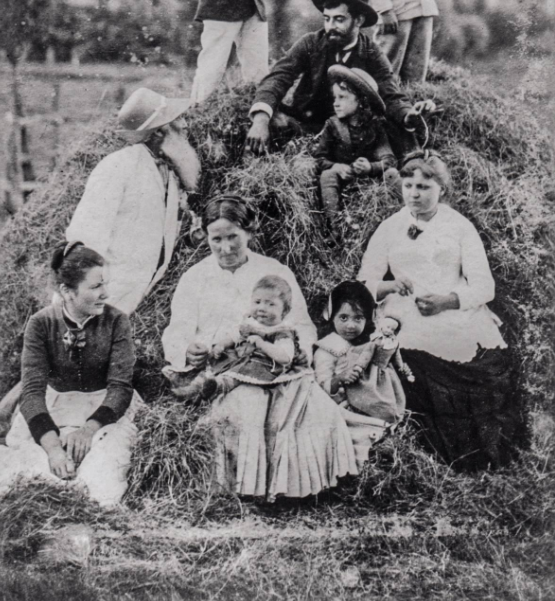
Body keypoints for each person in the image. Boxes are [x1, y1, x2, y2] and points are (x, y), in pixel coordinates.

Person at [161, 195, 357, 500]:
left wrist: (298, 350)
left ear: (250, 233)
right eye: (217, 239)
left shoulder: (275, 272)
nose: (225, 248)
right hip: (227, 370)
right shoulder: (195, 277)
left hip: (280, 367)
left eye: (233, 238)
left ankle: (299, 491)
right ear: (206, 237)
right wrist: (189, 349)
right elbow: (177, 329)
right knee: (245, 410)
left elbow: (302, 325)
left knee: (317, 411)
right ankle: (249, 492)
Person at [358, 150, 523, 471]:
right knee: (403, 353)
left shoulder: (459, 226)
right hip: (404, 311)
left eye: (424, 187)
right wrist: (391, 286)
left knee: (472, 359)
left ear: (441, 189)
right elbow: (364, 283)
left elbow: (484, 287)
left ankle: (471, 454)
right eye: (408, 185)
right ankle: (413, 449)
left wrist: (447, 300)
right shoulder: (390, 227)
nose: (414, 194)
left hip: (453, 309)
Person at [0, 242, 141, 507]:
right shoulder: (41, 323)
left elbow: (120, 388)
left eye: (105, 284)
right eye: (95, 287)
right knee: (30, 475)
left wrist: (87, 431)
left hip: (104, 411)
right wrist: (53, 449)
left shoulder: (117, 321)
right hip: (53, 409)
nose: (105, 294)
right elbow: (32, 394)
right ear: (67, 291)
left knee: (101, 479)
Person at [245, 0, 436, 159]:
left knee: (393, 129)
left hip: (353, 131)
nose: (330, 27)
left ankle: (410, 162)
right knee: (275, 121)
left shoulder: (372, 52)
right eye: (327, 19)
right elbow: (278, 78)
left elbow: (390, 94)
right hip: (306, 125)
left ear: (359, 20)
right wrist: (261, 119)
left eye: (339, 19)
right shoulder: (311, 42)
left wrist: (407, 114)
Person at [67, 87, 200, 317]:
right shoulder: (118, 166)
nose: (186, 125)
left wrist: (190, 238)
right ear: (159, 132)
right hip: (98, 300)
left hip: (129, 301)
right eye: (178, 119)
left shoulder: (168, 175)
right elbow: (86, 237)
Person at [182, 275, 312, 401]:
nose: (261, 308)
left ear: (285, 310)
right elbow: (234, 336)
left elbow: (284, 358)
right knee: (216, 362)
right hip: (241, 358)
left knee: (237, 376)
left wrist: (261, 343)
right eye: (257, 302)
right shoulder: (250, 324)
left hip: (262, 365)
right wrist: (221, 345)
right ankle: (193, 387)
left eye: (270, 304)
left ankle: (218, 386)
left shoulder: (282, 332)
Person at [314, 281, 394, 464]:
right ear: (331, 316)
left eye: (358, 318)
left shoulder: (366, 345)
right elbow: (321, 386)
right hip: (341, 403)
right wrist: (339, 378)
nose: (350, 325)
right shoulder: (328, 349)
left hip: (368, 398)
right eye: (343, 318)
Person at [313, 64, 397, 226]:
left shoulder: (375, 127)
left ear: (361, 100)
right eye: (334, 98)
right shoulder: (333, 125)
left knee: (392, 173)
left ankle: (411, 216)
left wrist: (370, 167)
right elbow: (319, 159)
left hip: (371, 182)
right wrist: (336, 166)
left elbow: (389, 160)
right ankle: (334, 224)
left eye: (342, 97)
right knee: (327, 175)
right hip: (343, 180)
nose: (335, 103)